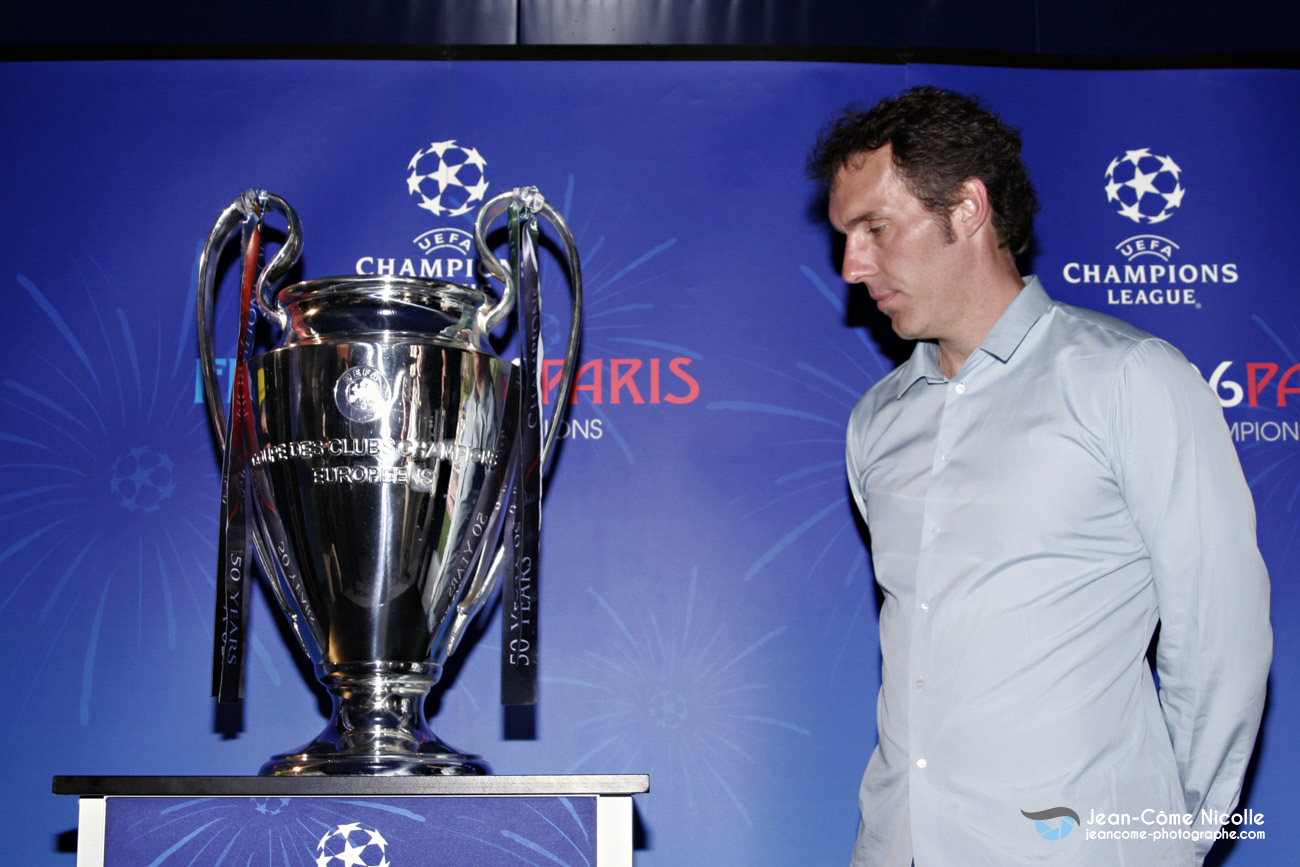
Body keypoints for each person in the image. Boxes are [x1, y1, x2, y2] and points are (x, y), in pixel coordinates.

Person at [807, 86, 1271, 866]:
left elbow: (1221, 637)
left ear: (966, 209)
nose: (853, 266)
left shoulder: (1128, 381)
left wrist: (1164, 842)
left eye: (876, 229)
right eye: (846, 237)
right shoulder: (875, 422)